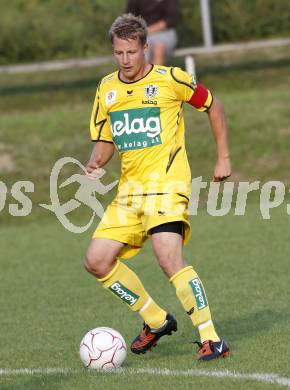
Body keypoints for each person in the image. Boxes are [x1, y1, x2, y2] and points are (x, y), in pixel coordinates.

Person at [85, 13, 231, 361]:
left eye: (131, 52)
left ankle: (212, 338)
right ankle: (155, 319)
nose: (125, 60)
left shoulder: (170, 79)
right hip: (129, 192)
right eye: (118, 53)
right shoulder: (107, 88)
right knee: (96, 261)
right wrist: (95, 162)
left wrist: (222, 157)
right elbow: (105, 140)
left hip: (167, 185)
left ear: (146, 48)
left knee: (168, 258)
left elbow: (214, 106)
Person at [126, 0, 179, 65]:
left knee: (159, 48)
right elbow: (130, 20)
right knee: (138, 51)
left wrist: (146, 31)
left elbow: (170, 20)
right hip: (142, 35)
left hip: (165, 32)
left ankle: (155, 75)